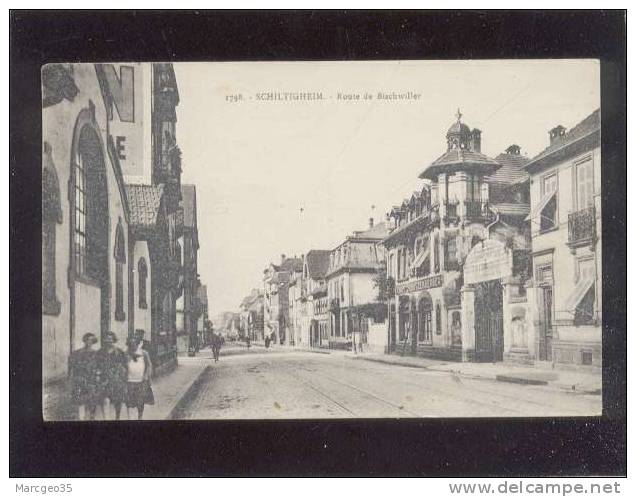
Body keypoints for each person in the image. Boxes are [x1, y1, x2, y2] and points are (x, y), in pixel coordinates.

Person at [68, 332, 99, 421]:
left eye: (91, 340)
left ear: (93, 342)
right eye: (87, 339)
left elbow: (98, 366)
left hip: (92, 380)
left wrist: (97, 375)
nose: (89, 342)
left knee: (92, 401)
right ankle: (81, 418)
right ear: (84, 340)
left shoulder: (96, 354)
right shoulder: (77, 353)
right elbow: (72, 366)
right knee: (81, 400)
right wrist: (72, 378)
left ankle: (92, 417)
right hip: (80, 379)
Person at [96, 331, 127, 420]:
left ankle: (117, 417)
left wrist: (122, 376)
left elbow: (124, 365)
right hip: (104, 379)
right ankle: (106, 418)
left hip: (116, 379)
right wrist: (98, 375)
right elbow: (97, 365)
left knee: (118, 400)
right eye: (107, 339)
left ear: (114, 340)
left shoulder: (119, 352)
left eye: (110, 339)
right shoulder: (100, 352)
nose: (108, 341)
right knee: (105, 399)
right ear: (104, 340)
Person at [125, 336, 154, 420]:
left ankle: (140, 417)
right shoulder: (126, 353)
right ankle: (130, 418)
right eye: (131, 344)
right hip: (129, 381)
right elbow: (122, 365)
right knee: (129, 402)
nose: (133, 345)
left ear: (137, 344)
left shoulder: (144, 353)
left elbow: (149, 365)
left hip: (141, 381)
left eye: (135, 343)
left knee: (140, 401)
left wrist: (146, 375)